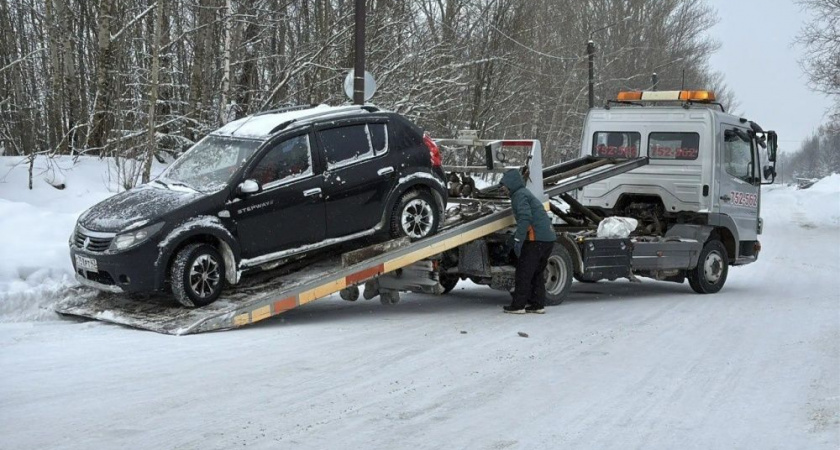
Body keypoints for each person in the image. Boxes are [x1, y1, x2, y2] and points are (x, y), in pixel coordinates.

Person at [499, 169, 556, 314]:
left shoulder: (519, 195)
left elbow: (525, 217)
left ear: (511, 184)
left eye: (504, 186)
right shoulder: (524, 193)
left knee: (524, 273)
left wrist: (518, 238)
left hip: (536, 239)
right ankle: (538, 305)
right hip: (548, 238)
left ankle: (518, 306)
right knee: (537, 273)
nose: (503, 189)